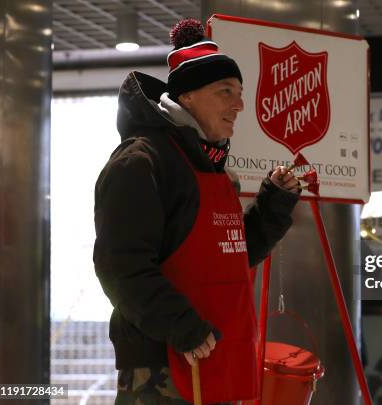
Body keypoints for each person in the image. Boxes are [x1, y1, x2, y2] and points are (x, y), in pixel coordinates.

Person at [93, 19, 300, 405]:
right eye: (225, 92)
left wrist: (273, 203)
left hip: (218, 358)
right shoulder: (140, 162)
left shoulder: (212, 166)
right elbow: (119, 265)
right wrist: (181, 326)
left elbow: (233, 257)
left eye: (240, 93)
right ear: (187, 97)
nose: (239, 105)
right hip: (163, 367)